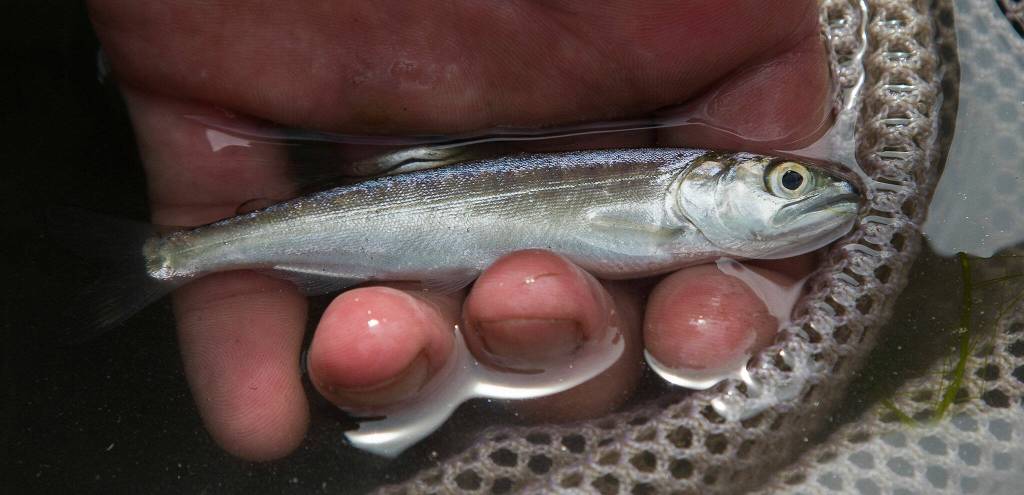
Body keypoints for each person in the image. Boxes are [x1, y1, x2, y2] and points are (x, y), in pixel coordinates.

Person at [87, 0, 830, 461]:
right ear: (704, 183)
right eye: (788, 180)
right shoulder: (673, 204)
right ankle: (176, 259)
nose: (796, 186)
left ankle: (176, 258)